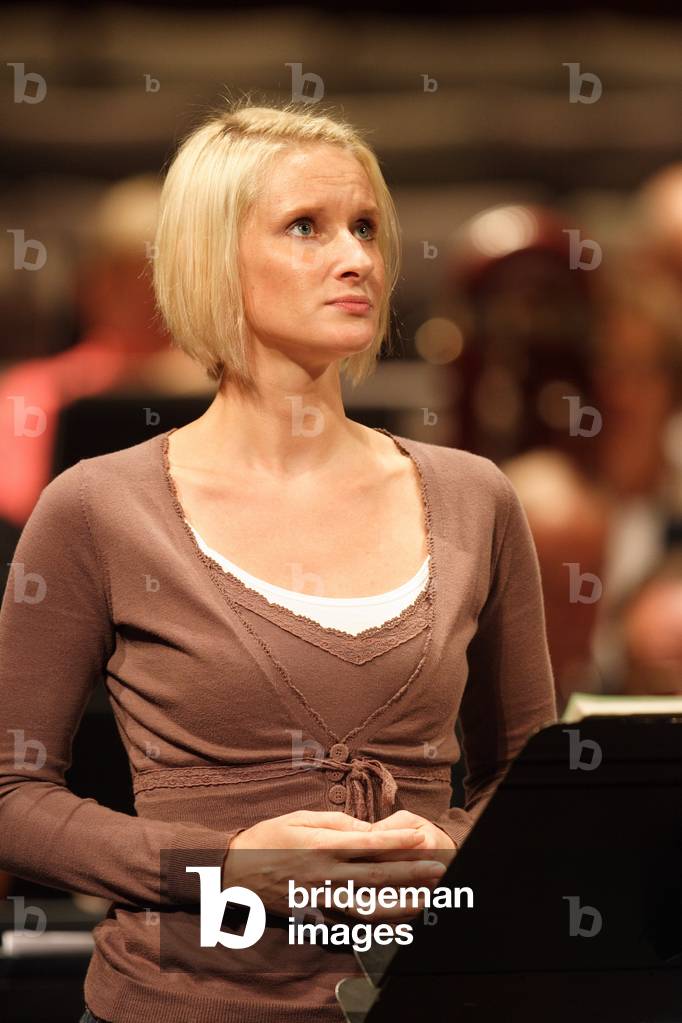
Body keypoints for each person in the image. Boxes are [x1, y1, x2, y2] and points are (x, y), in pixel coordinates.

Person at [0, 99, 557, 1023]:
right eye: (307, 227)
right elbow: (12, 795)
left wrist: (460, 852)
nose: (357, 259)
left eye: (366, 228)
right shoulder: (99, 506)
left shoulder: (474, 498)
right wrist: (223, 867)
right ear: (214, 257)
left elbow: (527, 781)